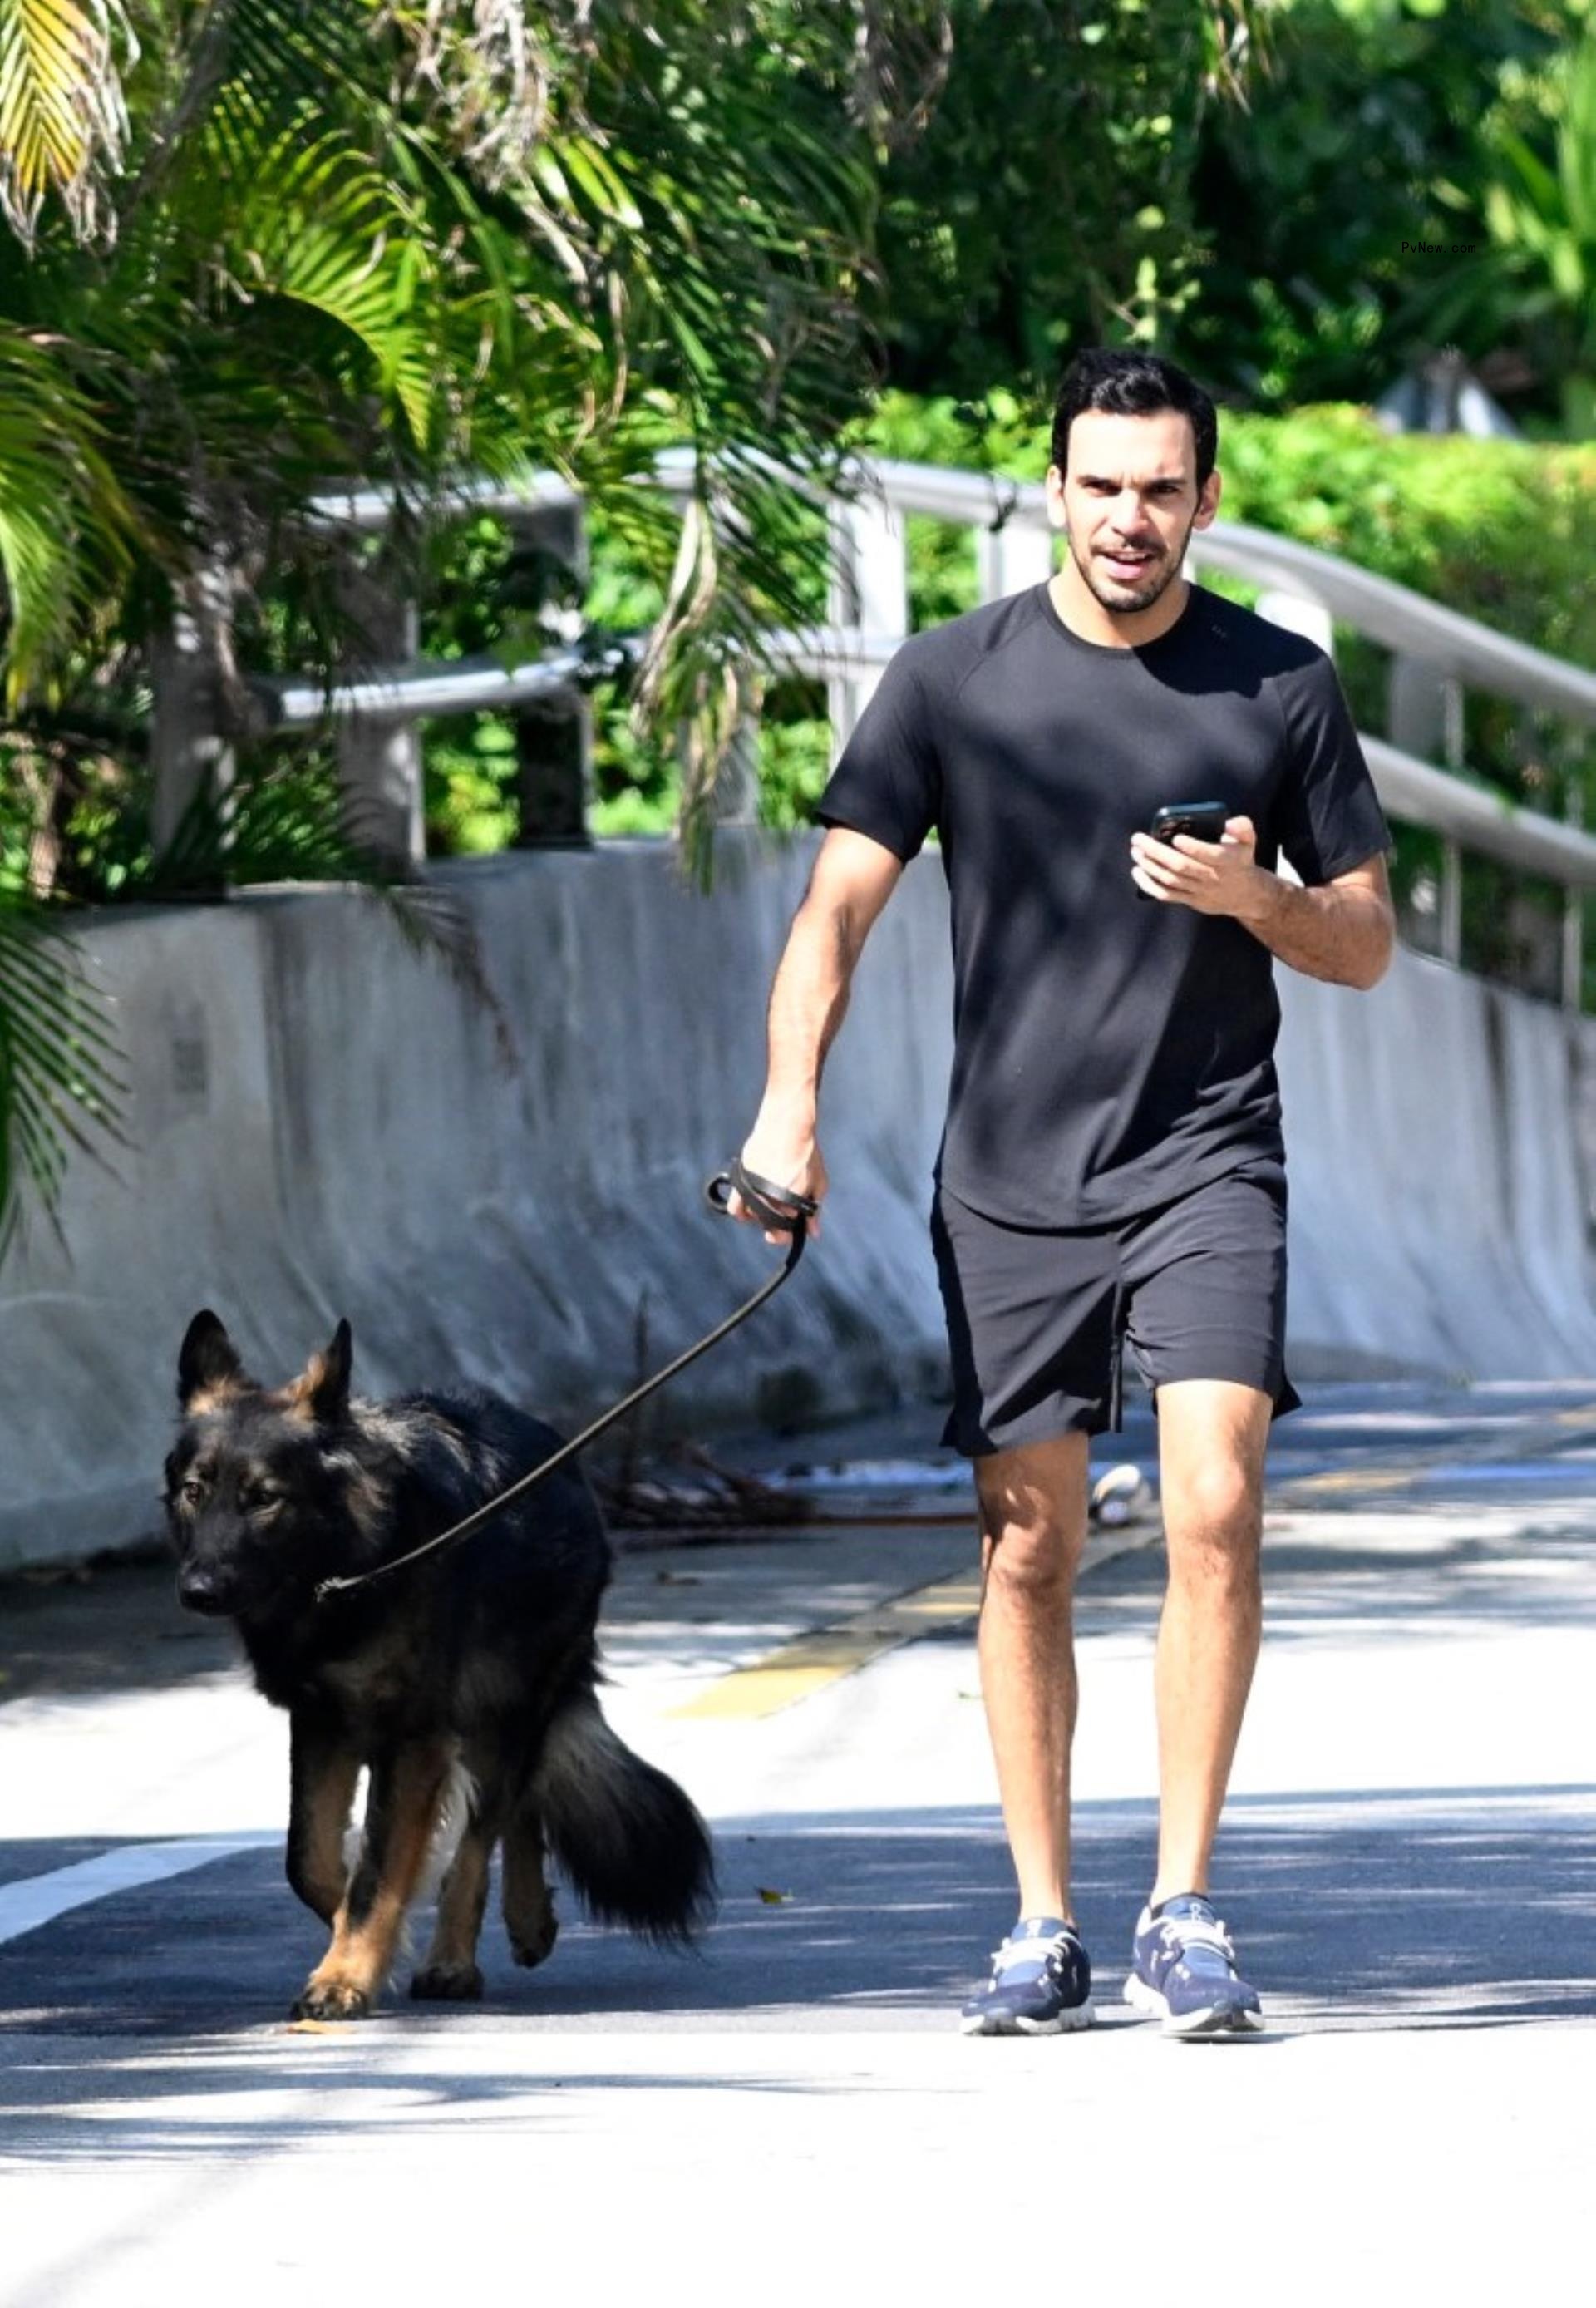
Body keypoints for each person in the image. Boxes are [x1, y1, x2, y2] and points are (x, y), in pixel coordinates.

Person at [728, 347, 1395, 2038]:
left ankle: (1184, 1900)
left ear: (1206, 499)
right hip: (1012, 1175)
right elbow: (836, 915)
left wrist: (1260, 898)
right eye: (1101, 484)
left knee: (1214, 1504)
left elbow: (1370, 940)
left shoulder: (1280, 687)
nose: (1129, 517)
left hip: (1207, 1153)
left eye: (1161, 488)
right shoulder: (953, 681)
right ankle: (1041, 1918)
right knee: (1028, 1544)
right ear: (1056, 489)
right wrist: (787, 1111)